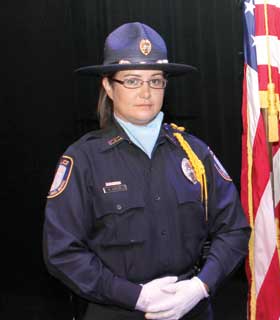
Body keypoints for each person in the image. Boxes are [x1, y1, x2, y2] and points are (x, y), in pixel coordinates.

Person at [43, 22, 250, 320]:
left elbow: (234, 229)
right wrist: (136, 297)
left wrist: (201, 286)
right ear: (107, 86)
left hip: (191, 308)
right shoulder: (83, 159)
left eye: (155, 81)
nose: (145, 92)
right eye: (131, 80)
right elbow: (62, 252)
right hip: (115, 310)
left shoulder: (195, 153)